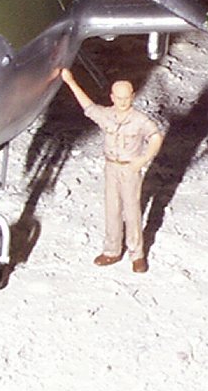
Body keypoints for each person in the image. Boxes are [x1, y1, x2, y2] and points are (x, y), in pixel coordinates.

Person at [60, 68, 163, 273]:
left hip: (130, 169)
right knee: (112, 209)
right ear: (112, 97)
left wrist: (143, 160)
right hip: (111, 168)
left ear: (133, 96)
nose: (123, 102)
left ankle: (137, 255)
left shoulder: (140, 120)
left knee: (132, 211)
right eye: (119, 98)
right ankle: (112, 251)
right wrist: (71, 82)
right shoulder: (106, 115)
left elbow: (156, 137)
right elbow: (88, 107)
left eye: (127, 97)